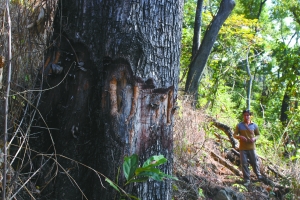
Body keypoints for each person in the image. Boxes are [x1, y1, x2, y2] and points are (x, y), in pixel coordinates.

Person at [233, 109, 263, 186]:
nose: (246, 117)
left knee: (254, 162)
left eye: (248, 115)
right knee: (244, 163)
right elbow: (234, 135)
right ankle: (247, 179)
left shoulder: (254, 125)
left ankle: (259, 176)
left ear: (250, 116)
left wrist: (254, 138)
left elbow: (258, 135)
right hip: (243, 148)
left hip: (252, 147)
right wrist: (240, 137)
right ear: (243, 116)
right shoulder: (239, 125)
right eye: (245, 115)